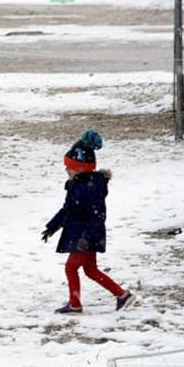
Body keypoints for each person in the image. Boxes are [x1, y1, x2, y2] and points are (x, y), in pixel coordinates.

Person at [41, 130, 135, 314]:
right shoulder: (78, 186)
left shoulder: (89, 188)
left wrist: (87, 238)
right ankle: (122, 295)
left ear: (80, 167)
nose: (66, 170)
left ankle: (75, 303)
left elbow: (98, 216)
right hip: (82, 235)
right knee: (90, 270)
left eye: (69, 166)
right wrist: (51, 227)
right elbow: (67, 210)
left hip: (85, 236)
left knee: (71, 268)